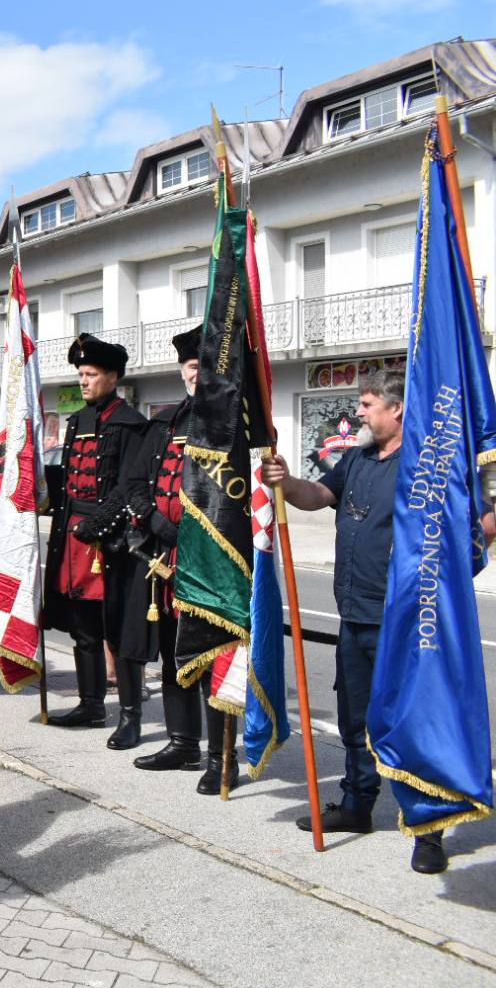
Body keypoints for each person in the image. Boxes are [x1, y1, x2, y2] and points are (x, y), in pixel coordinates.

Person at [260, 372, 450, 871]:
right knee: (355, 720)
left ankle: (429, 828)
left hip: (404, 621)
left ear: (397, 410)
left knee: (411, 725)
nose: (360, 413)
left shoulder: (425, 465)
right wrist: (285, 480)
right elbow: (317, 496)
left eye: (367, 405)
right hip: (354, 615)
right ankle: (357, 805)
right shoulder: (358, 458)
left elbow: (475, 521)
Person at [123, 332, 239, 787]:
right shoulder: (165, 421)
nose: (195, 373)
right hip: (166, 559)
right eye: (190, 366)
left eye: (203, 366)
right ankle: (182, 744)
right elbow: (136, 480)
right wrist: (153, 520)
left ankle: (219, 759)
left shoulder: (234, 422)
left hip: (212, 563)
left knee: (212, 658)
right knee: (175, 656)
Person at [42, 335, 147, 736]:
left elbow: (132, 485)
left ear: (113, 376)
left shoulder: (132, 423)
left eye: (91, 374)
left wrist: (97, 525)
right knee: (83, 627)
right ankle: (90, 706)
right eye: (80, 374)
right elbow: (67, 481)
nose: (83, 382)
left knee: (119, 629)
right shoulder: (78, 422)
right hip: (73, 539)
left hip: (112, 540)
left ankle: (130, 717)